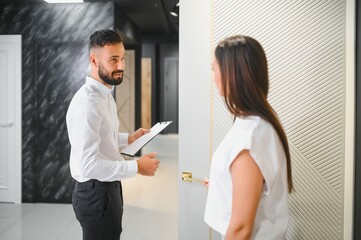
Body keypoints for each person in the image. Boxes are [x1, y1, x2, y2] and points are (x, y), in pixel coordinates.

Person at [66, 29, 160, 240]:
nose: (121, 66)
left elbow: (100, 137)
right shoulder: (88, 103)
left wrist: (128, 138)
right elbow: (87, 165)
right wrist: (136, 167)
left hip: (107, 188)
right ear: (94, 59)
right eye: (114, 60)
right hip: (95, 194)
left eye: (123, 58)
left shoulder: (104, 94)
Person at [204, 35, 293, 240]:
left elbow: (242, 228)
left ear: (231, 73)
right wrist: (220, 183)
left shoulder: (251, 135)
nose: (213, 75)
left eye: (214, 68)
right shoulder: (253, 123)